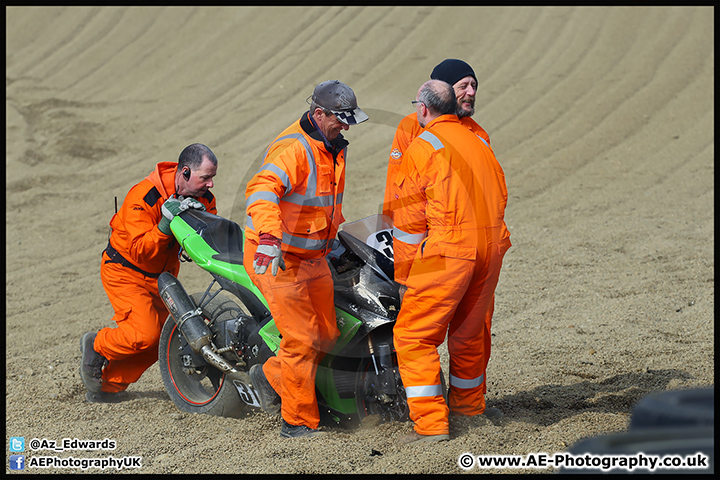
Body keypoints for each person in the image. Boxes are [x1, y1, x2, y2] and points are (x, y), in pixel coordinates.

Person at [244, 80, 368, 438]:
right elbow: (261, 191)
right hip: (278, 258)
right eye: (340, 119)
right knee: (302, 339)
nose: (346, 127)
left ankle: (270, 378)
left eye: (349, 120)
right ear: (318, 114)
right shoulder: (293, 150)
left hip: (313, 257)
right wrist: (269, 236)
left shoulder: (332, 145)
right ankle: (296, 422)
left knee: (328, 333)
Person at [391, 80, 511, 445]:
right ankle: (469, 409)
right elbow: (501, 193)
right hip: (491, 247)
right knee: (468, 331)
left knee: (413, 336)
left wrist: (406, 274)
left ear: (423, 109)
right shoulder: (479, 140)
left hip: (447, 248)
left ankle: (430, 426)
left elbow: (409, 222)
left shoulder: (422, 146)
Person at [79, 144, 218, 403]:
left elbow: (210, 237)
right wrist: (165, 226)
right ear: (185, 172)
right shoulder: (143, 197)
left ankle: (107, 387)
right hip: (125, 270)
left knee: (164, 339)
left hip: (162, 277)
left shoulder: (204, 199)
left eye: (212, 178)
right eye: (205, 177)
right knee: (143, 334)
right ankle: (97, 343)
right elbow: (141, 251)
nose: (210, 185)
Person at [383, 58, 490, 221]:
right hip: (413, 223)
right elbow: (395, 183)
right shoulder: (410, 126)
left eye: (473, 86)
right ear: (443, 90)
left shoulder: (478, 135)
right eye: (463, 86)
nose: (472, 92)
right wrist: (388, 223)